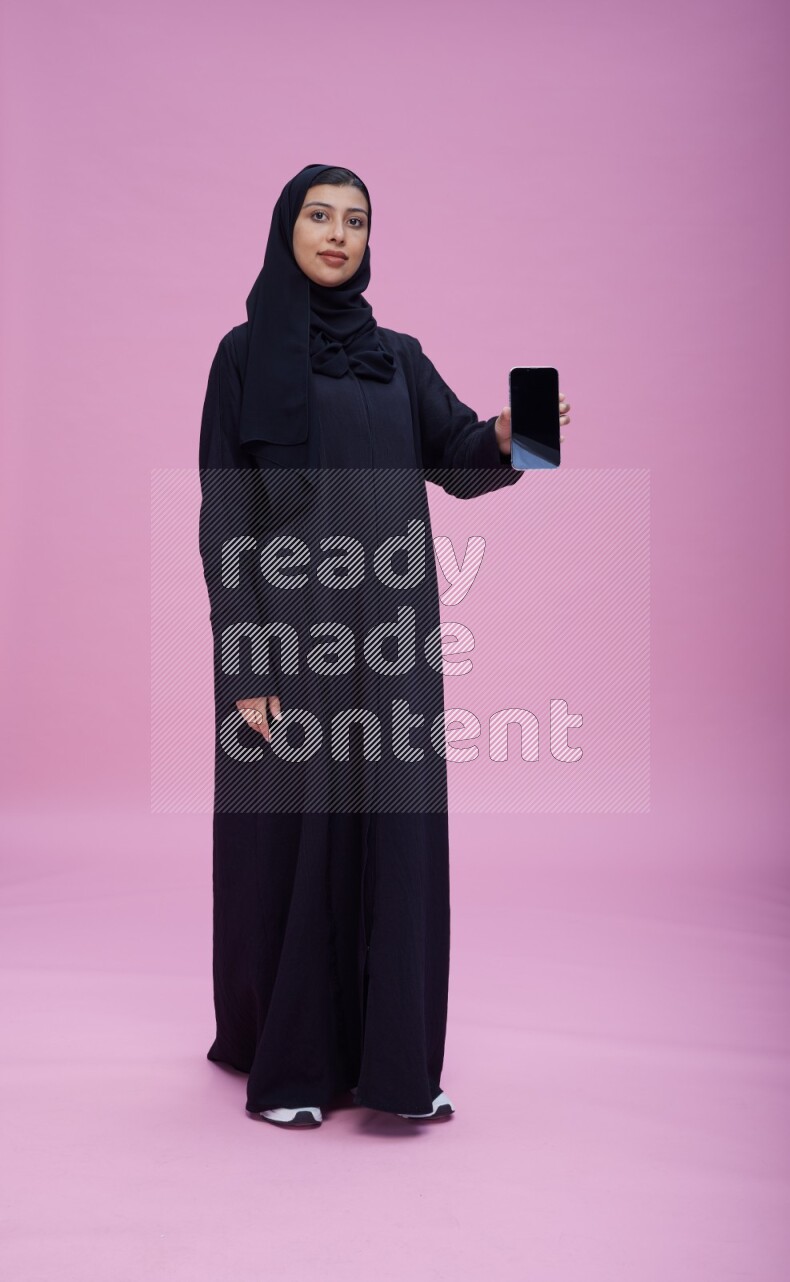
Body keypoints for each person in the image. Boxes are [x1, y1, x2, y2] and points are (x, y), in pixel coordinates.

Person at [198, 163, 569, 1129]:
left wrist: (515, 434)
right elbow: (223, 520)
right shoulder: (241, 357)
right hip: (291, 645)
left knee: (400, 842)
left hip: (396, 636)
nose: (337, 233)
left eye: (355, 220)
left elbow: (455, 457)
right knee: (295, 840)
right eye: (319, 216)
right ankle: (291, 1064)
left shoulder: (397, 357)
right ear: (287, 228)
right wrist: (242, 669)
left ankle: (399, 1064)